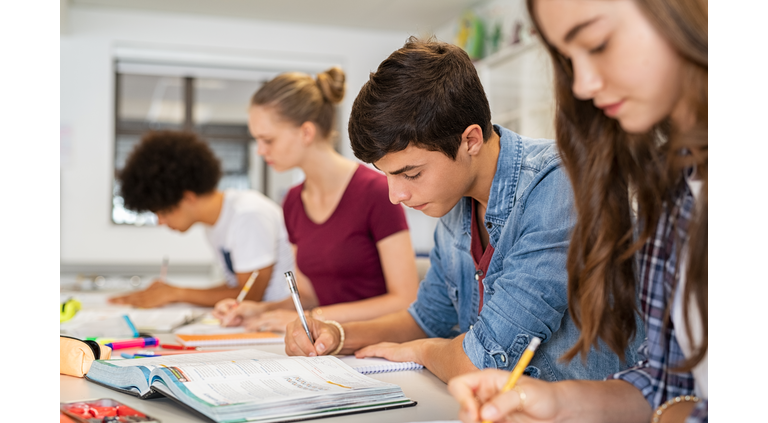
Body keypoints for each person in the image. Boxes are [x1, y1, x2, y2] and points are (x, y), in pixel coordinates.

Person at [281, 38, 641, 383]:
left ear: (470, 140)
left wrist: (425, 352)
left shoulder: (558, 185)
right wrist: (337, 334)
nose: (396, 195)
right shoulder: (455, 201)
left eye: (411, 173)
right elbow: (427, 319)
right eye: (388, 175)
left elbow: (484, 361)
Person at [448, 0, 708, 423]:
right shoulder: (676, 187)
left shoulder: (551, 184)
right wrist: (561, 404)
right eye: (568, 59)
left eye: (598, 43)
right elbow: (664, 383)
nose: (583, 84)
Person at [213, 67, 419, 332]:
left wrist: (314, 317)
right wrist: (261, 310)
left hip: (378, 344)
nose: (261, 151)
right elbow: (309, 297)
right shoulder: (293, 202)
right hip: (326, 345)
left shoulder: (377, 191)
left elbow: (404, 300)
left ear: (306, 132)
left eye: (268, 140)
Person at [109, 130, 294, 308]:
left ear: (188, 198)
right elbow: (237, 287)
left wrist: (176, 293)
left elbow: (250, 296)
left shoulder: (248, 214)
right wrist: (171, 292)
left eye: (163, 213)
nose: (160, 222)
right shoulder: (214, 224)